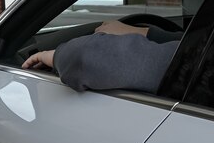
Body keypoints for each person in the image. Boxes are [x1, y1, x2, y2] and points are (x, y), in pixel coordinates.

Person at [22, 21, 181, 93]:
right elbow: (194, 42)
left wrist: (51, 55)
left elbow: (85, 56)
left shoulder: (194, 65)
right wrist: (145, 33)